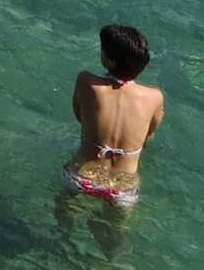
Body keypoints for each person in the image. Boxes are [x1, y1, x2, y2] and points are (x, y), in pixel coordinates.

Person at [62, 24, 164, 209]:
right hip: (123, 187)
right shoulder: (155, 97)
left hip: (82, 176)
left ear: (109, 61)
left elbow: (80, 117)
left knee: (64, 218)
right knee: (113, 228)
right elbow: (147, 137)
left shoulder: (86, 81)